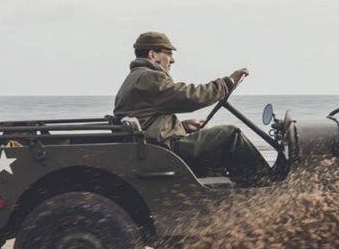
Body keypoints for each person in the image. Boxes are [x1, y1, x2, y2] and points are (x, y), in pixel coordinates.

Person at [113, 31, 272, 187]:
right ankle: (267, 185)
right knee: (230, 135)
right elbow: (189, 97)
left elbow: (148, 118)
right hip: (164, 150)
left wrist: (183, 126)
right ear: (152, 54)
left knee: (216, 150)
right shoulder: (149, 77)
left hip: (153, 147)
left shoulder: (135, 77)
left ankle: (237, 189)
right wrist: (227, 83)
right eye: (168, 53)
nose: (172, 60)